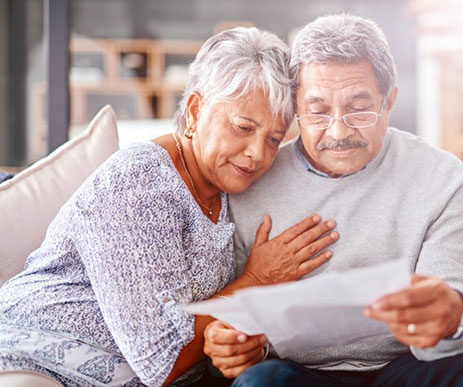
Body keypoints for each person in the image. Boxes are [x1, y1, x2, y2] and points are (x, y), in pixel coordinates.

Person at [0, 27, 339, 386]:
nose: (258, 154)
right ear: (194, 110)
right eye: (242, 127)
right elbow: (161, 360)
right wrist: (257, 280)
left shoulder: (224, 186)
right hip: (38, 361)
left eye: (273, 138)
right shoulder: (140, 183)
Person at [203, 14, 463, 386]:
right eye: (318, 111)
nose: (338, 131)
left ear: (389, 101)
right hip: (299, 374)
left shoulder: (441, 177)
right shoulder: (251, 179)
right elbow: (236, 330)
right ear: (295, 110)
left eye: (359, 108)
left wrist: (452, 315)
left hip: (408, 366)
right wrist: (233, 346)